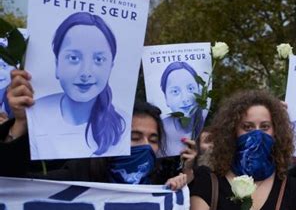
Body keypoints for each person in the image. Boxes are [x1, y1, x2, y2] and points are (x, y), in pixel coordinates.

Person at [1, 68, 192, 188]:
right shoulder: (72, 178)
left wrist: (181, 183)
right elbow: (9, 184)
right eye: (134, 137)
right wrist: (21, 125)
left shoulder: (160, 185)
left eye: (153, 140)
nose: (146, 147)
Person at [27, 12, 128, 159]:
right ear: (57, 63)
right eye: (74, 58)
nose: (85, 72)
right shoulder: (32, 114)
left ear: (111, 66)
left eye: (99, 59)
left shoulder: (124, 126)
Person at [160, 61, 207, 156]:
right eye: (175, 91)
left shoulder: (209, 126)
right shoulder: (158, 129)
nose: (185, 99)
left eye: (190, 89)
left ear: (200, 91)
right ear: (166, 98)